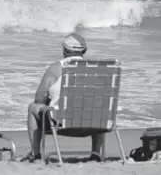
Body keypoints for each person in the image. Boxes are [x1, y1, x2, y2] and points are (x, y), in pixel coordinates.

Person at [21, 32, 104, 162]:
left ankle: (36, 153)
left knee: (33, 107)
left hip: (63, 123)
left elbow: (39, 99)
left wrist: (50, 99)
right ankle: (95, 153)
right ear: (85, 50)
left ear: (64, 50)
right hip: (94, 124)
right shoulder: (96, 69)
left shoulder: (55, 68)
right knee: (96, 107)